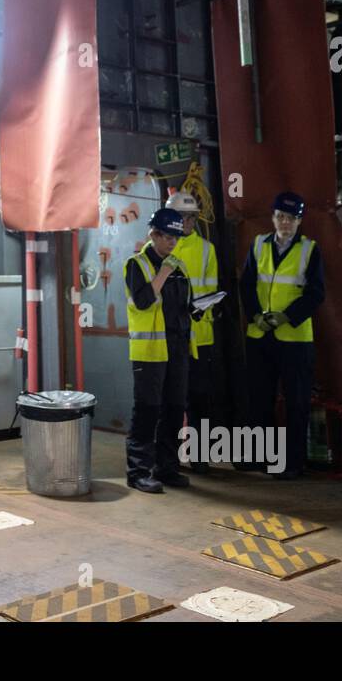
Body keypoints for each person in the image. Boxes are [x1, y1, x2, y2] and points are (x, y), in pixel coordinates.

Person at [241, 192, 324, 479]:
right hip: (260, 335)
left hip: (295, 339)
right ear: (273, 218)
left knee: (296, 402)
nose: (284, 222)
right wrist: (256, 316)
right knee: (259, 399)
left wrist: (286, 316)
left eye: (290, 218)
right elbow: (247, 285)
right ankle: (257, 457)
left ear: (299, 221)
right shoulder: (258, 245)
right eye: (280, 217)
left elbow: (316, 293)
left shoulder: (310, 250)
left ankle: (292, 462)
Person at [124, 208, 196, 493]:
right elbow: (142, 301)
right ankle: (138, 471)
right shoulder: (137, 264)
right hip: (149, 351)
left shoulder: (180, 266)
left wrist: (197, 309)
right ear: (153, 234)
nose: (172, 243)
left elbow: (182, 304)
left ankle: (167, 467)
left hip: (177, 348)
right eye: (167, 237)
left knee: (175, 408)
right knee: (147, 410)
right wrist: (164, 271)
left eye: (176, 237)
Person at [168, 191, 222, 472]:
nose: (188, 222)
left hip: (201, 336)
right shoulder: (163, 247)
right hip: (173, 338)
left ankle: (200, 458)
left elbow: (211, 289)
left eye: (192, 217)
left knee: (201, 400)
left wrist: (205, 307)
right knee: (174, 401)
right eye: (183, 217)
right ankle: (171, 457)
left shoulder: (206, 249)